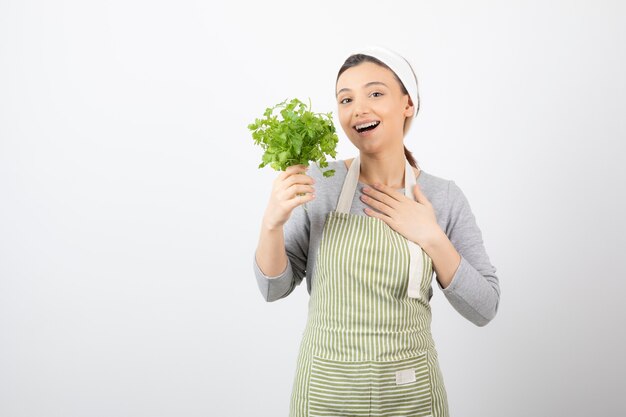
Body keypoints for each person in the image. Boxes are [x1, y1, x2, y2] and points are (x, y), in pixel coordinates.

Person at [253, 46, 501, 417]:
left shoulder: (442, 196)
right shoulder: (319, 183)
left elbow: (485, 308)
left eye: (375, 93)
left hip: (411, 394)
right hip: (326, 393)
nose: (359, 108)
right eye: (346, 99)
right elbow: (274, 288)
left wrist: (430, 235)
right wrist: (271, 224)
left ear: (408, 104)